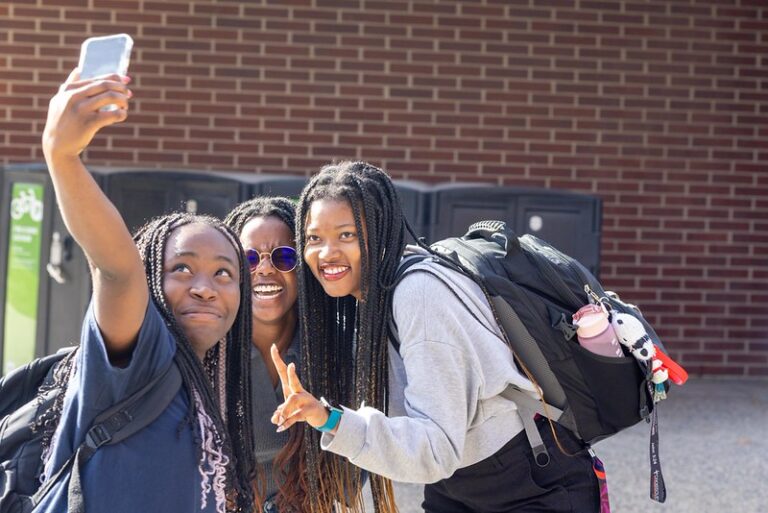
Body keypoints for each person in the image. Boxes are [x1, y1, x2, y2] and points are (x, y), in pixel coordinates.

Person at [270, 161, 601, 513]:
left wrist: (330, 420)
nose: (326, 252)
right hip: (459, 482)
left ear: (380, 232)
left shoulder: (419, 294)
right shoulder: (373, 297)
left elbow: (435, 449)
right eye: (314, 238)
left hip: (533, 482)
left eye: (346, 235)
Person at [37, 70, 255, 513]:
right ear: (153, 278)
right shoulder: (144, 350)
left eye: (223, 274)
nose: (205, 289)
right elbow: (117, 270)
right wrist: (63, 157)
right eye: (182, 268)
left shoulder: (204, 385)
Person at [224, 198, 306, 512]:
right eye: (249, 258)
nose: (266, 268)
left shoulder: (334, 351)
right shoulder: (209, 351)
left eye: (284, 257)